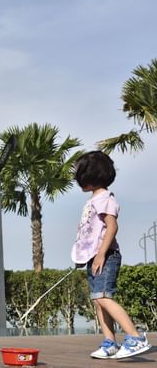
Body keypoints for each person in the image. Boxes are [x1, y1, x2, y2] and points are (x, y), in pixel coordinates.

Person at [72, 150, 151, 360]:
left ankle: (135, 337)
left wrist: (100, 255)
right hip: (95, 258)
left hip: (106, 257)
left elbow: (112, 226)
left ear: (89, 179)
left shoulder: (105, 199)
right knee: (99, 301)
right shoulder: (94, 200)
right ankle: (110, 343)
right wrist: (85, 257)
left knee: (104, 298)